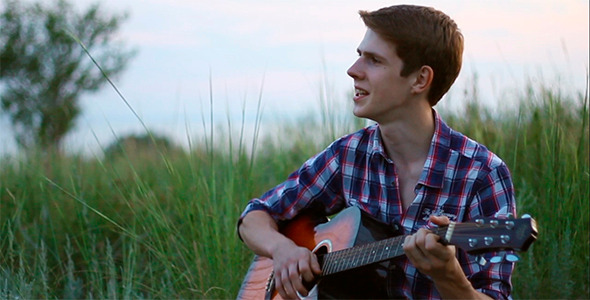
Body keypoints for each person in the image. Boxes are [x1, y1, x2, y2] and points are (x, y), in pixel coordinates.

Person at [237, 4, 516, 300]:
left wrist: (449, 276)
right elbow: (255, 216)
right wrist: (284, 250)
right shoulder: (348, 156)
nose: (353, 70)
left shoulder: (482, 174)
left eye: (374, 60)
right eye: (360, 56)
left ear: (420, 80)